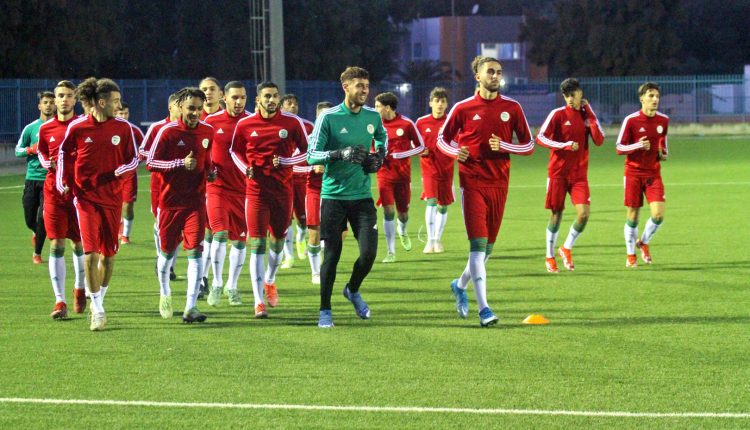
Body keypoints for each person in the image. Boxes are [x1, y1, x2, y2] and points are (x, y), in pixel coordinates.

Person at [437, 56, 534, 327]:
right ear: (477, 77)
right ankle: (485, 309)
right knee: (478, 248)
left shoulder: (512, 108)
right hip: (472, 183)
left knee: (487, 250)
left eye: (499, 72)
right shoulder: (463, 108)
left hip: (500, 184)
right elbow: (441, 140)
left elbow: (528, 146)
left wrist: (504, 146)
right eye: (490, 71)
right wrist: (458, 152)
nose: (495, 75)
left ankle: (459, 284)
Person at [307, 66, 388, 328]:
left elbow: (382, 139)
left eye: (366, 86)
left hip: (362, 197)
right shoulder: (328, 118)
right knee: (332, 254)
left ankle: (352, 289)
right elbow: (311, 155)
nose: (364, 90)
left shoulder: (373, 117)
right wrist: (337, 155)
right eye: (359, 86)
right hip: (333, 197)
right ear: (345, 87)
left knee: (369, 254)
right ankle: (325, 310)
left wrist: (379, 158)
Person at [56, 77, 139, 331]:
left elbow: (135, 159)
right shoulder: (79, 128)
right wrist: (63, 182)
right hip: (85, 199)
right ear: (101, 103)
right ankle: (98, 310)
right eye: (115, 101)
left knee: (109, 255)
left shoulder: (123, 129)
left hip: (112, 199)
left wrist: (121, 170)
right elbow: (63, 155)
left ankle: (98, 299)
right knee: (90, 254)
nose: (119, 105)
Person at [229, 81, 308, 319]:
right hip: (256, 193)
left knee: (278, 243)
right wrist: (245, 168)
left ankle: (270, 280)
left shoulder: (292, 123)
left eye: (275, 96)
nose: (271, 100)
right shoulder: (245, 124)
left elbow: (308, 151)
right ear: (258, 100)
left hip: (283, 192)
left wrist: (286, 162)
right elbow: (235, 151)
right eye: (267, 96)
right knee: (258, 244)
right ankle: (258, 301)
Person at [147, 87, 215, 323]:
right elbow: (151, 163)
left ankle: (190, 307)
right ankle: (165, 292)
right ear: (180, 108)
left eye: (198, 108)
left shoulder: (208, 131)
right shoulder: (167, 131)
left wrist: (211, 171)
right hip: (170, 203)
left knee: (196, 251)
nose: (195, 113)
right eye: (190, 108)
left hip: (196, 202)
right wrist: (178, 163)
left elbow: (206, 159)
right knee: (166, 254)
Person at [536, 78, 605, 272]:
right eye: (566, 95)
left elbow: (599, 140)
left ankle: (566, 247)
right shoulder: (556, 114)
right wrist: (563, 145)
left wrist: (589, 112)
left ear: (580, 94)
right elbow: (540, 138)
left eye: (573, 94)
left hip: (579, 176)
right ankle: (549, 256)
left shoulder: (586, 116)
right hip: (557, 173)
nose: (570, 99)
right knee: (556, 214)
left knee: (583, 215)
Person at [37, 81, 86, 319]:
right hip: (54, 193)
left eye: (68, 96)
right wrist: (47, 163)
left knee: (79, 244)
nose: (64, 100)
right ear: (54, 100)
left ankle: (79, 288)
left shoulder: (83, 125)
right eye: (60, 96)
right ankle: (60, 301)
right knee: (56, 243)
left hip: (79, 193)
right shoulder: (46, 129)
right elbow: (42, 152)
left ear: (75, 99)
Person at [204, 81, 251, 306]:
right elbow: (200, 148)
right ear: (225, 98)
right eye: (234, 97)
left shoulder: (252, 122)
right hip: (217, 188)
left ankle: (232, 285)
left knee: (240, 241)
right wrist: (207, 169)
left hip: (245, 190)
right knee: (219, 234)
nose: (239, 102)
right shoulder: (211, 122)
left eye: (242, 97)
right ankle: (216, 282)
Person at [616, 82, 669, 267]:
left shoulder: (663, 121)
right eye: (651, 96)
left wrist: (663, 153)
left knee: (658, 214)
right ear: (642, 99)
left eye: (657, 96)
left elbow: (663, 143)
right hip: (633, 173)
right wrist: (638, 145)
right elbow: (619, 147)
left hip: (653, 174)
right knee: (633, 215)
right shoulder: (631, 120)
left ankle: (644, 242)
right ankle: (631, 255)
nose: (655, 100)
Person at [373, 92, 424, 263]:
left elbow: (421, 147)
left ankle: (402, 230)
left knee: (403, 214)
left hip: (403, 177)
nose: (375, 109)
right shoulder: (374, 125)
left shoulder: (407, 123)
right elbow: (370, 148)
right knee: (388, 211)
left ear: (387, 108)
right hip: (384, 175)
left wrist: (401, 154)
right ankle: (390, 251)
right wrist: (375, 155)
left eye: (378, 106)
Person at [139, 92, 182, 281]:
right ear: (170, 107)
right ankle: (162, 258)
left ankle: (169, 264)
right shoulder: (158, 128)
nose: (182, 110)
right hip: (160, 185)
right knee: (161, 225)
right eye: (178, 106)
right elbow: (143, 151)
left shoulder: (188, 129)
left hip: (184, 185)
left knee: (179, 228)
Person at [16, 91, 55, 264]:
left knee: (44, 217)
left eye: (51, 102)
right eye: (45, 102)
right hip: (31, 179)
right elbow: (18, 150)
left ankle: (37, 254)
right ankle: (37, 232)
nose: (48, 105)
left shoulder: (59, 127)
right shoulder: (31, 128)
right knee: (30, 219)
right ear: (39, 106)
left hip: (50, 179)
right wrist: (30, 150)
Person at [416, 87, 454, 254]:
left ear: (447, 104)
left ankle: (438, 240)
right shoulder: (421, 122)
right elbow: (413, 143)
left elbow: (458, 143)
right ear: (430, 102)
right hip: (429, 168)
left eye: (443, 101)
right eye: (436, 101)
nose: (439, 104)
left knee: (443, 205)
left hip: (447, 169)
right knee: (431, 201)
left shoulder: (451, 122)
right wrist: (419, 150)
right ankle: (430, 241)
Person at [279, 93, 315, 268]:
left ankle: (301, 239)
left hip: (302, 178)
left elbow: (312, 151)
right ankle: (289, 257)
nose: (292, 107)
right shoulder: (276, 125)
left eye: (295, 104)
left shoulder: (308, 126)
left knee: (303, 218)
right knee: (284, 219)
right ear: (282, 107)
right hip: (282, 179)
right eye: (289, 104)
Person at [197, 77, 223, 297]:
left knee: (220, 234)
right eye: (204, 89)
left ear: (220, 93)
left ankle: (213, 278)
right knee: (206, 232)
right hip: (200, 184)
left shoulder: (229, 118)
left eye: (212, 89)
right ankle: (204, 278)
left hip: (228, 185)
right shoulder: (195, 117)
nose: (208, 93)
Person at [303, 101, 333, 284]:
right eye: (322, 116)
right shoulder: (307, 138)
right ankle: (316, 272)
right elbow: (295, 164)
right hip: (314, 189)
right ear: (317, 117)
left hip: (335, 190)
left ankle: (327, 267)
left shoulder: (339, 138)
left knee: (338, 233)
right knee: (314, 232)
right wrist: (311, 168)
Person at [115, 101, 145, 244]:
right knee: (113, 205)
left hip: (129, 174)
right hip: (112, 174)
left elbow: (145, 148)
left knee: (127, 205)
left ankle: (126, 234)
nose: (123, 116)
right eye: (121, 113)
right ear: (115, 112)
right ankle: (116, 227)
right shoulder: (109, 128)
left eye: (126, 113)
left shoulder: (134, 130)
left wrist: (135, 162)